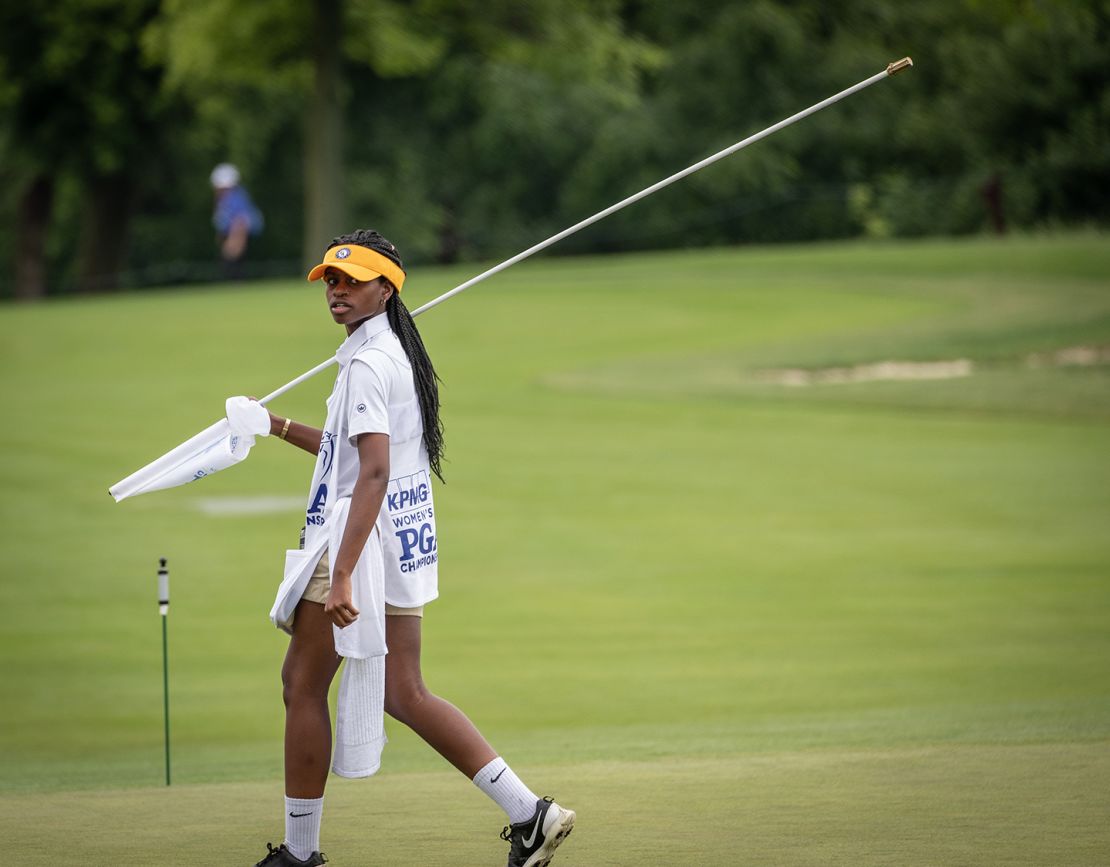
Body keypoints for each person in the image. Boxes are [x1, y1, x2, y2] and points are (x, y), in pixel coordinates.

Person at [254, 229, 575, 867]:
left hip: (361, 541)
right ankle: (529, 813)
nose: (338, 293)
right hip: (399, 541)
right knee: (405, 692)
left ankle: (300, 854)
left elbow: (370, 471)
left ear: (386, 288)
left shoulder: (371, 363)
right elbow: (351, 449)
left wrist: (342, 574)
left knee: (301, 682)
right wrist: (272, 424)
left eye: (353, 282)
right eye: (332, 281)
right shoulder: (387, 353)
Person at [210, 162, 264, 279]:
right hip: (231, 235)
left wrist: (234, 243)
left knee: (234, 267)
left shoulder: (235, 198)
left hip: (236, 236)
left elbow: (240, 222)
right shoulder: (225, 199)